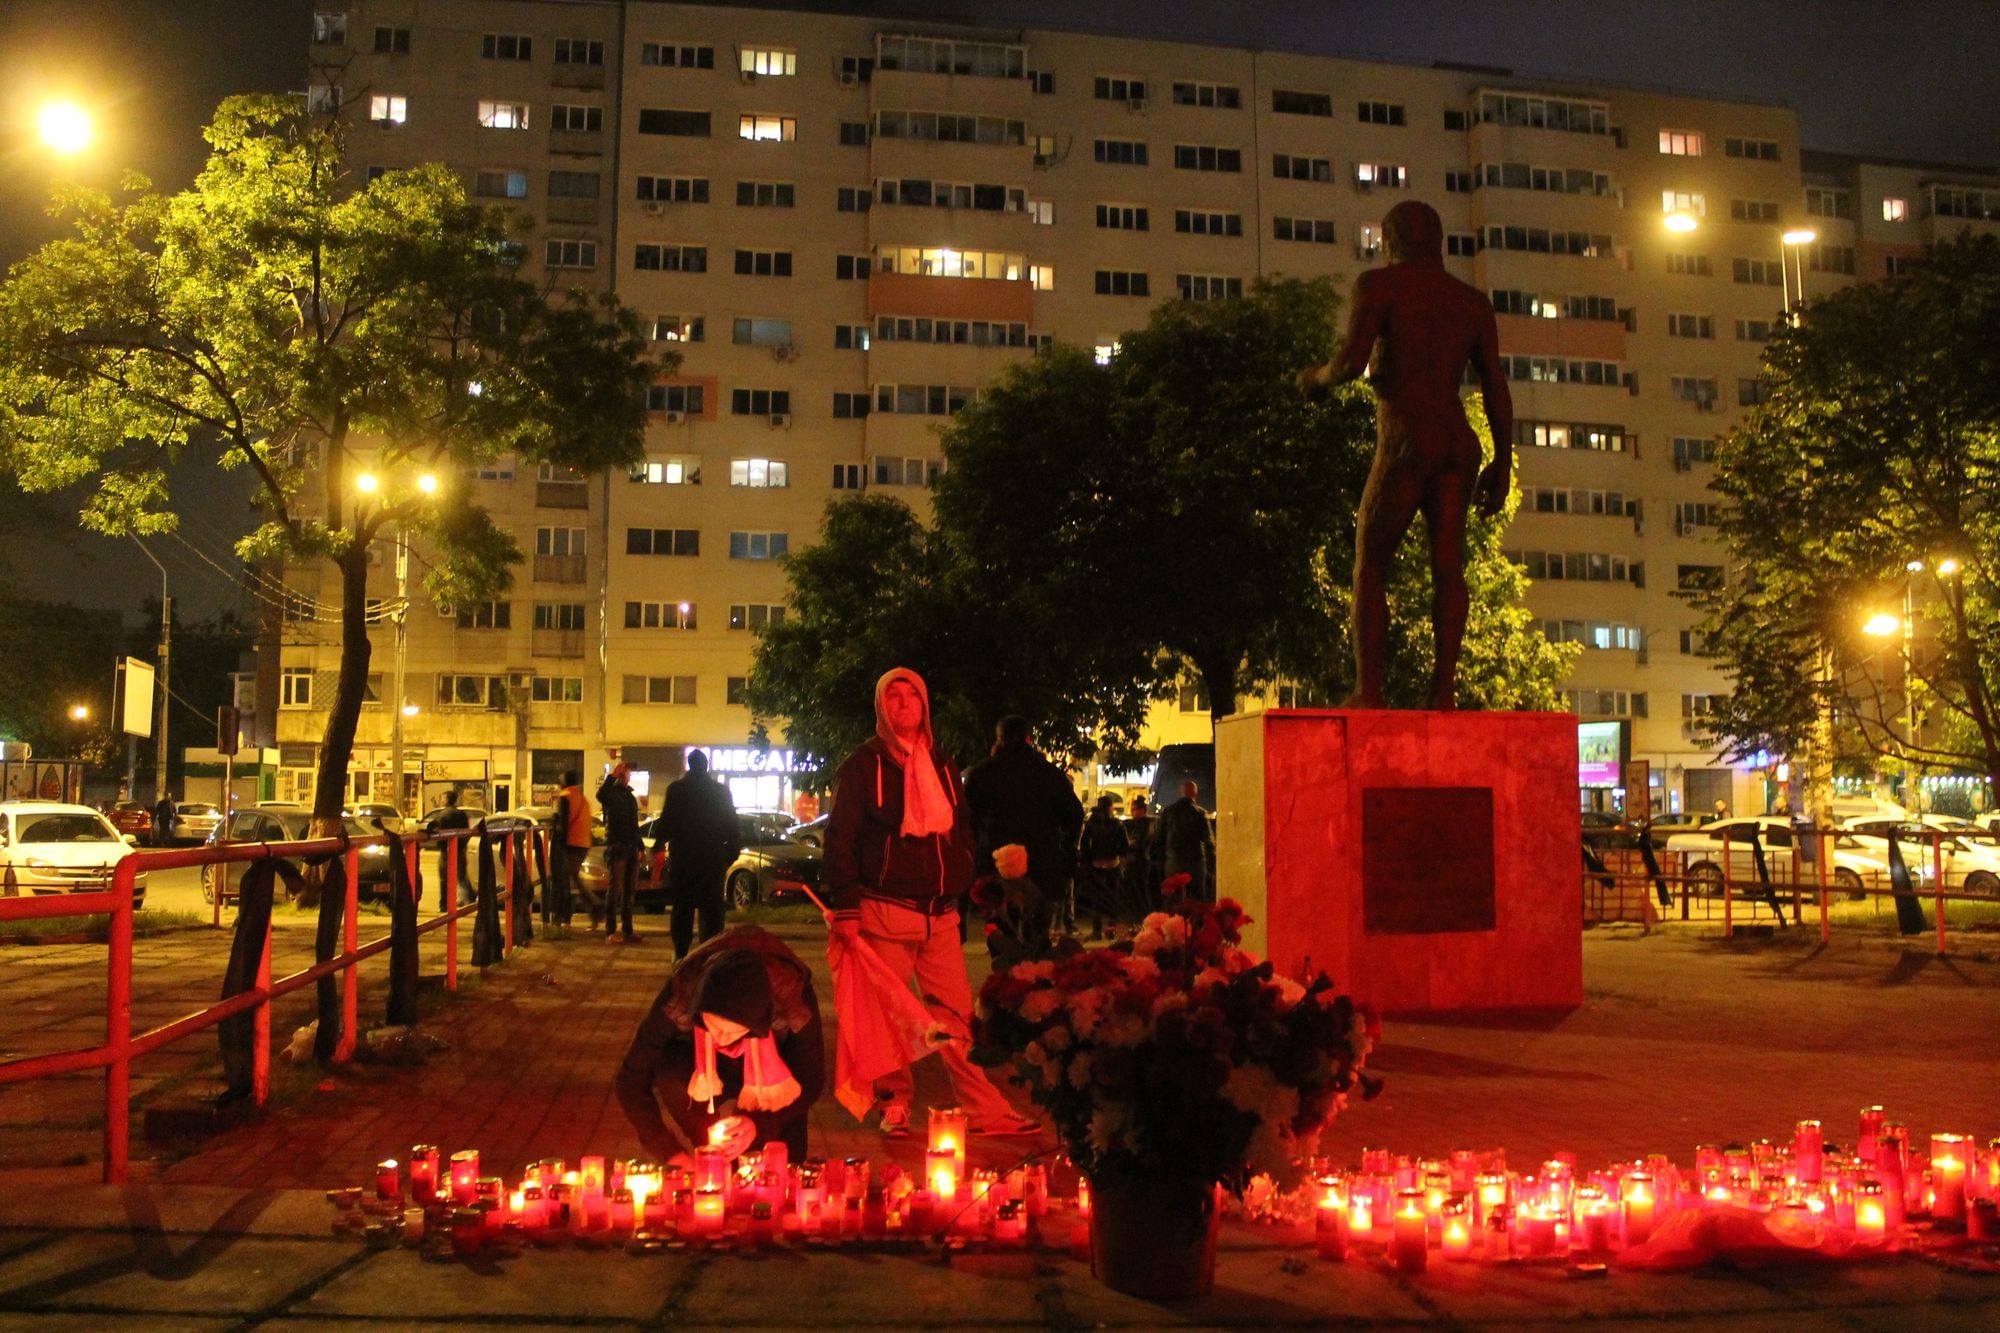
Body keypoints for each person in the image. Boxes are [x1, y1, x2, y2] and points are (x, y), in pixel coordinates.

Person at [1297, 199, 1513, 711]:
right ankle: (1443, 690)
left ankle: (1369, 690)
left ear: (1391, 241)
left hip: (1407, 438)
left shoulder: (1380, 286)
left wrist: (1314, 379)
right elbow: (1496, 386)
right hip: (1457, 442)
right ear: (1438, 243)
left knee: (1370, 564)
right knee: (1448, 567)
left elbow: (1350, 363)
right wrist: (1502, 460)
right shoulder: (1471, 302)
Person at [825, 667, 1038, 1138]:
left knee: (957, 1018)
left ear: (924, 706)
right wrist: (847, 907)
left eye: (913, 696)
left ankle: (984, 1110)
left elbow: (959, 827)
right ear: (881, 707)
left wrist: (963, 871)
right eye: (893, 696)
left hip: (940, 915)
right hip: (885, 911)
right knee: (888, 1020)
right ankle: (895, 1104)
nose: (904, 704)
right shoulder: (863, 765)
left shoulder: (940, 762)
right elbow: (840, 837)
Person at [615, 926, 824, 1163]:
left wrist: (758, 1125)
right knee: (672, 1070)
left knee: (782, 1164)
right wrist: (669, 1153)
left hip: (774, 1072)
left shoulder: (794, 999)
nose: (723, 1039)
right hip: (701, 1068)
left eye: (732, 1031)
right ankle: (711, 1156)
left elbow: (811, 1080)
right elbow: (630, 1079)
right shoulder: (680, 996)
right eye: (714, 1026)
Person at [962, 715, 1084, 927]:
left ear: (999, 739)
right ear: (1028, 739)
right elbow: (1074, 814)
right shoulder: (1049, 773)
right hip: (1041, 864)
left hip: (996, 865)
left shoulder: (982, 774)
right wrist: (1065, 846)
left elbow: (966, 818)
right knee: (1037, 930)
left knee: (1001, 930)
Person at [656, 750, 742, 959]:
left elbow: (666, 823)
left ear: (689, 765)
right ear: (706, 766)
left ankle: (681, 954)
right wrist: (729, 855)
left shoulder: (677, 790)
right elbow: (732, 825)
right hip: (712, 859)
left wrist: (659, 843)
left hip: (683, 859)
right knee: (712, 910)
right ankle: (709, 954)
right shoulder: (720, 791)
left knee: (682, 909)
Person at [598, 763, 643, 943]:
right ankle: (610, 930)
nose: (627, 774)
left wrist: (639, 846)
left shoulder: (630, 797)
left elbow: (634, 825)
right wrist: (611, 776)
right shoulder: (611, 794)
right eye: (625, 772)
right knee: (615, 889)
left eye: (628, 772)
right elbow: (600, 795)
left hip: (630, 847)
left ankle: (627, 930)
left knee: (629, 891)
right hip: (617, 847)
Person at [1151, 780, 1216, 902]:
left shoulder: (1168, 812)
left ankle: (1173, 913)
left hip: (1173, 861)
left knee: (1172, 897)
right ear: (1195, 793)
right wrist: (1212, 866)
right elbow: (1208, 841)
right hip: (1196, 862)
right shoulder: (1200, 813)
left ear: (1180, 792)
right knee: (1197, 898)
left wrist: (1160, 861)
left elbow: (1159, 839)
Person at [1076, 794, 1129, 928]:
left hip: (1096, 863)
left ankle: (1097, 928)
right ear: (1110, 807)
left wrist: (1088, 859)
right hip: (1113, 862)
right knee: (1113, 896)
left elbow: (1085, 843)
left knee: (1096, 897)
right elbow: (1125, 845)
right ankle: (1112, 926)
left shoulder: (1091, 823)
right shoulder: (1117, 823)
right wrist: (1119, 854)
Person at [549, 770, 592, 928]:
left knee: (562, 881)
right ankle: (570, 916)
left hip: (570, 844)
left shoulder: (565, 797)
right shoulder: (583, 798)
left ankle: (563, 916)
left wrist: (555, 825)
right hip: (583, 844)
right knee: (571, 880)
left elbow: (563, 825)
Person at [430, 788, 472, 902]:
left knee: (444, 878)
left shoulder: (442, 815)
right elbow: (467, 832)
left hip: (446, 851)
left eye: (442, 798)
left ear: (447, 800)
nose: (441, 800)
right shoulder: (462, 814)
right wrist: (462, 845)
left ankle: (445, 903)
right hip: (460, 850)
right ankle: (465, 901)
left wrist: (441, 845)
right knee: (461, 877)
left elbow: (437, 831)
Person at [1122, 793, 1157, 910]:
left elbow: (1140, 843)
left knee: (1140, 888)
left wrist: (1129, 844)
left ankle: (1142, 911)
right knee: (1137, 888)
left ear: (1142, 810)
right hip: (1138, 859)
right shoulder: (1142, 824)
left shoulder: (1145, 824)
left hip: (1140, 860)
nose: (1132, 812)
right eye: (1131, 809)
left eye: (1134, 809)